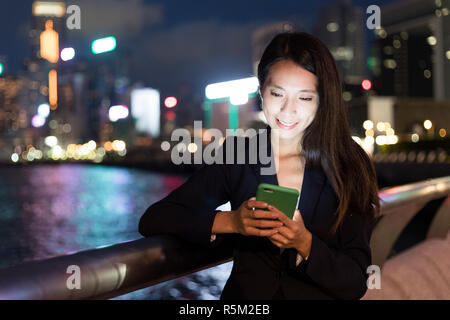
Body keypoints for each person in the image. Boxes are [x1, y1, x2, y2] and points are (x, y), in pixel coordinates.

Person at [138, 31, 381, 300]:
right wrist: (232, 221)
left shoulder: (347, 161)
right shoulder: (240, 154)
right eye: (277, 93)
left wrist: (305, 244)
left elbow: (357, 281)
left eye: (304, 97)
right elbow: (155, 218)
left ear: (322, 100)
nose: (288, 110)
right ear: (261, 92)